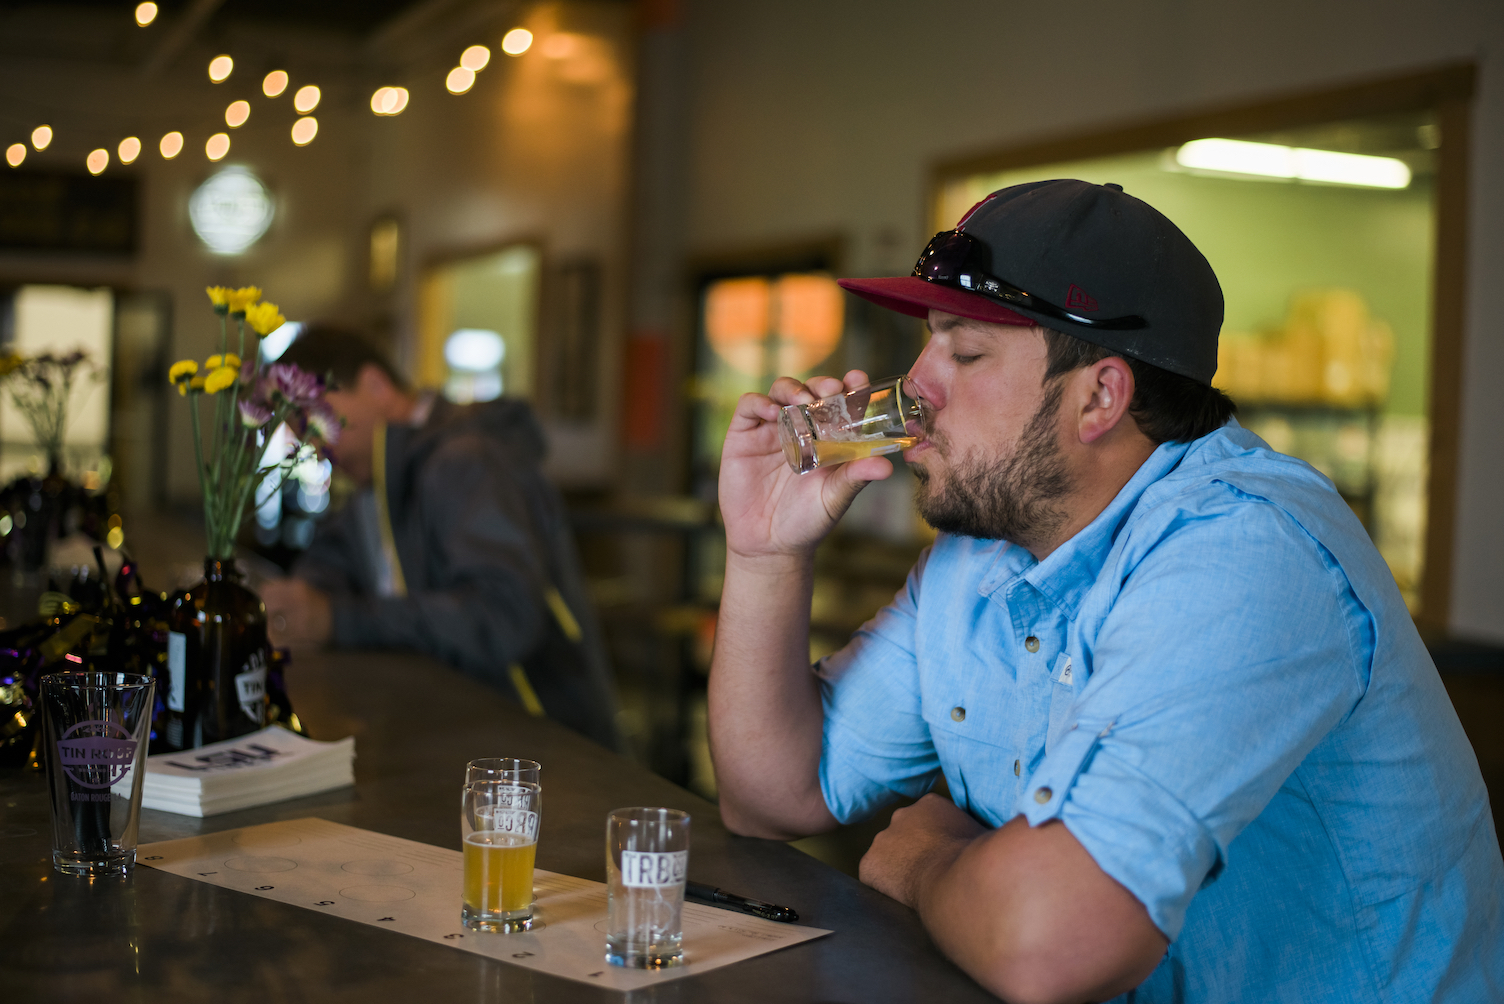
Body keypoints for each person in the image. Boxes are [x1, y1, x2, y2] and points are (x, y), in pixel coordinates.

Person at [708, 181, 1503, 1002]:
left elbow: (1051, 944)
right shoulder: (979, 558)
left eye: (965, 352)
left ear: (1100, 397)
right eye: (927, 345)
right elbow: (773, 797)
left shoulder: (1249, 553)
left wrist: (927, 861)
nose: (915, 390)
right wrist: (765, 554)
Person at [260, 327, 622, 750]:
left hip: (538, 750)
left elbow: (503, 617)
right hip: (458, 733)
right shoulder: (380, 476)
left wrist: (339, 619)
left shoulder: (467, 460)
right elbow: (333, 564)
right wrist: (306, 602)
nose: (311, 444)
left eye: (310, 419)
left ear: (375, 385)